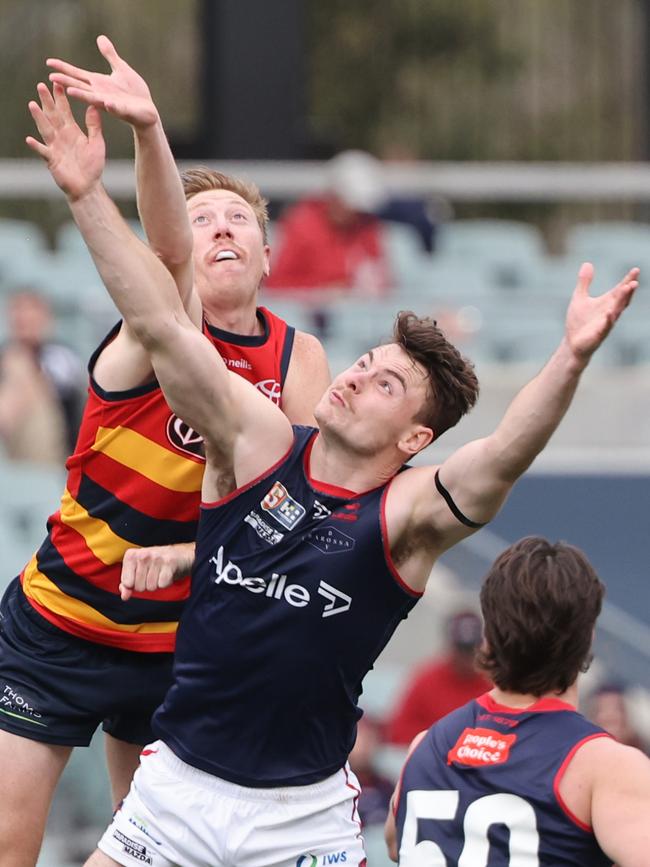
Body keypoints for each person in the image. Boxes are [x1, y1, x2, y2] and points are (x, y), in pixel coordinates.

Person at [27, 80, 638, 867]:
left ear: (416, 433)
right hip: (175, 793)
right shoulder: (255, 444)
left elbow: (506, 451)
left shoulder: (407, 517)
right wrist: (85, 195)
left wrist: (572, 355)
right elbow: (159, 325)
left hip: (299, 818)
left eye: (386, 383)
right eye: (364, 363)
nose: (354, 378)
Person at [0, 41, 330, 867]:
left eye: (239, 220)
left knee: (146, 851)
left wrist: (188, 556)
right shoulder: (163, 326)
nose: (220, 229)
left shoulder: (300, 360)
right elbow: (170, 254)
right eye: (204, 216)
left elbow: (299, 510)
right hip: (64, 617)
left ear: (267, 252)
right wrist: (148, 130)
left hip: (182, 643)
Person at [386, 537, 650, 866]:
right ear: (589, 637)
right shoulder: (604, 765)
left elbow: (396, 846)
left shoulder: (424, 748)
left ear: (488, 636)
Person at [265, 149, 392, 297]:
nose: (357, 215)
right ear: (334, 196)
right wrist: (326, 291)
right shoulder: (302, 226)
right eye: (352, 206)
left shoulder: (367, 226)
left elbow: (383, 279)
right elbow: (277, 285)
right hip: (309, 318)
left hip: (363, 316)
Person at [0, 288, 85, 463]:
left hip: (59, 452)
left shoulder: (61, 357)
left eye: (31, 311)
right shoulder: (6, 356)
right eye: (19, 311)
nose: (24, 318)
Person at [387, 610, 490, 745]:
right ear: (451, 647)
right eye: (462, 650)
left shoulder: (495, 682)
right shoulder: (427, 680)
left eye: (471, 650)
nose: (467, 658)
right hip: (432, 759)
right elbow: (399, 730)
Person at [586, 681, 649, 753]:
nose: (610, 716)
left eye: (617, 709)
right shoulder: (585, 756)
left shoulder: (642, 757)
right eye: (602, 710)